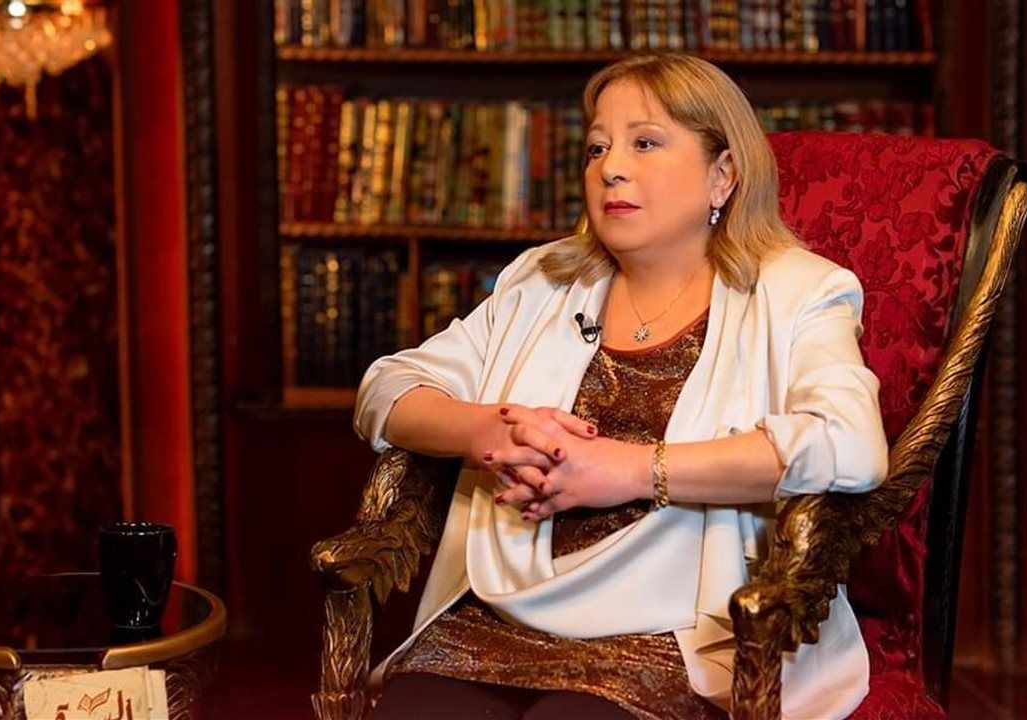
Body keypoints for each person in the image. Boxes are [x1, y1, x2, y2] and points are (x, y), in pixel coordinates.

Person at [354, 52, 889, 720]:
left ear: (723, 175)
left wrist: (636, 470)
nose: (611, 167)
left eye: (645, 143)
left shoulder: (799, 291)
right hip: (506, 610)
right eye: (597, 147)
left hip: (683, 629)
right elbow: (386, 389)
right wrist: (488, 428)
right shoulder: (543, 281)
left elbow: (851, 445)